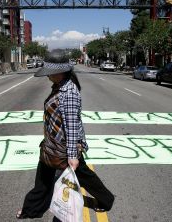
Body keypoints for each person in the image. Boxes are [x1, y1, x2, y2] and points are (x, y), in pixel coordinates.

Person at [16, 52, 114, 220]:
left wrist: (72, 155)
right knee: (44, 180)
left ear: (60, 72)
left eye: (49, 72)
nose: (47, 76)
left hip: (63, 146)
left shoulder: (69, 92)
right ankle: (31, 209)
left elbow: (72, 125)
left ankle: (105, 200)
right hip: (52, 144)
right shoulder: (60, 86)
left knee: (81, 177)